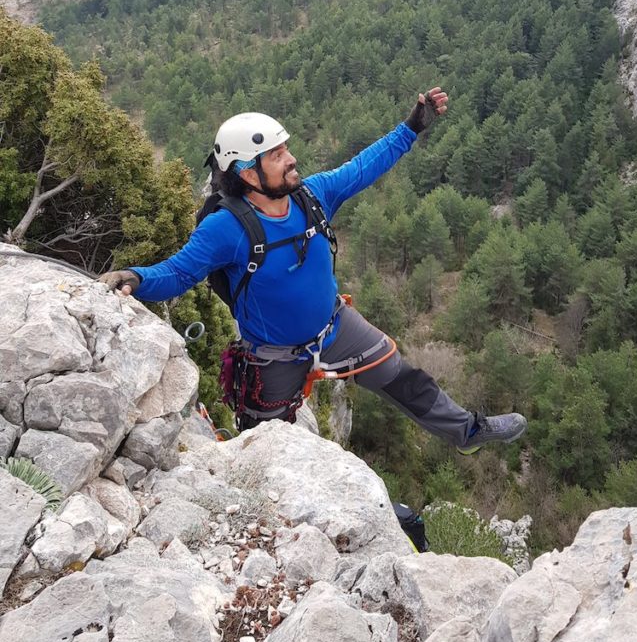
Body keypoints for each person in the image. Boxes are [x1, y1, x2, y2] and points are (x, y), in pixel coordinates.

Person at [100, 88, 527, 454]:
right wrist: (135, 278)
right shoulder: (225, 228)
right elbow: (179, 273)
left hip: (335, 327)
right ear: (248, 171)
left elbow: (365, 167)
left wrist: (411, 127)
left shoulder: (313, 196)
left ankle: (468, 431)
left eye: (287, 150)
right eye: (279, 155)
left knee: (403, 376)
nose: (292, 159)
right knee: (266, 444)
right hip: (272, 356)